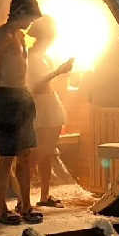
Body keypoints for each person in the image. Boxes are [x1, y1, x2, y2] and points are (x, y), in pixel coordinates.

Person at [0, 0, 44, 225]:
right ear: (20, 13)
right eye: (30, 17)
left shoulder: (19, 37)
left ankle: (25, 206)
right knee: (7, 156)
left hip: (21, 97)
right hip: (7, 98)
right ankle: (1, 209)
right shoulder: (2, 35)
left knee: (25, 155)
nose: (31, 22)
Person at [26, 16, 74, 208]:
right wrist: (58, 71)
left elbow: (50, 80)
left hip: (50, 103)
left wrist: (63, 72)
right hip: (41, 105)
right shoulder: (31, 56)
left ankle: (44, 196)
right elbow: (36, 84)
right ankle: (24, 200)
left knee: (47, 153)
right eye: (50, 36)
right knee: (38, 152)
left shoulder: (45, 56)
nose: (52, 40)